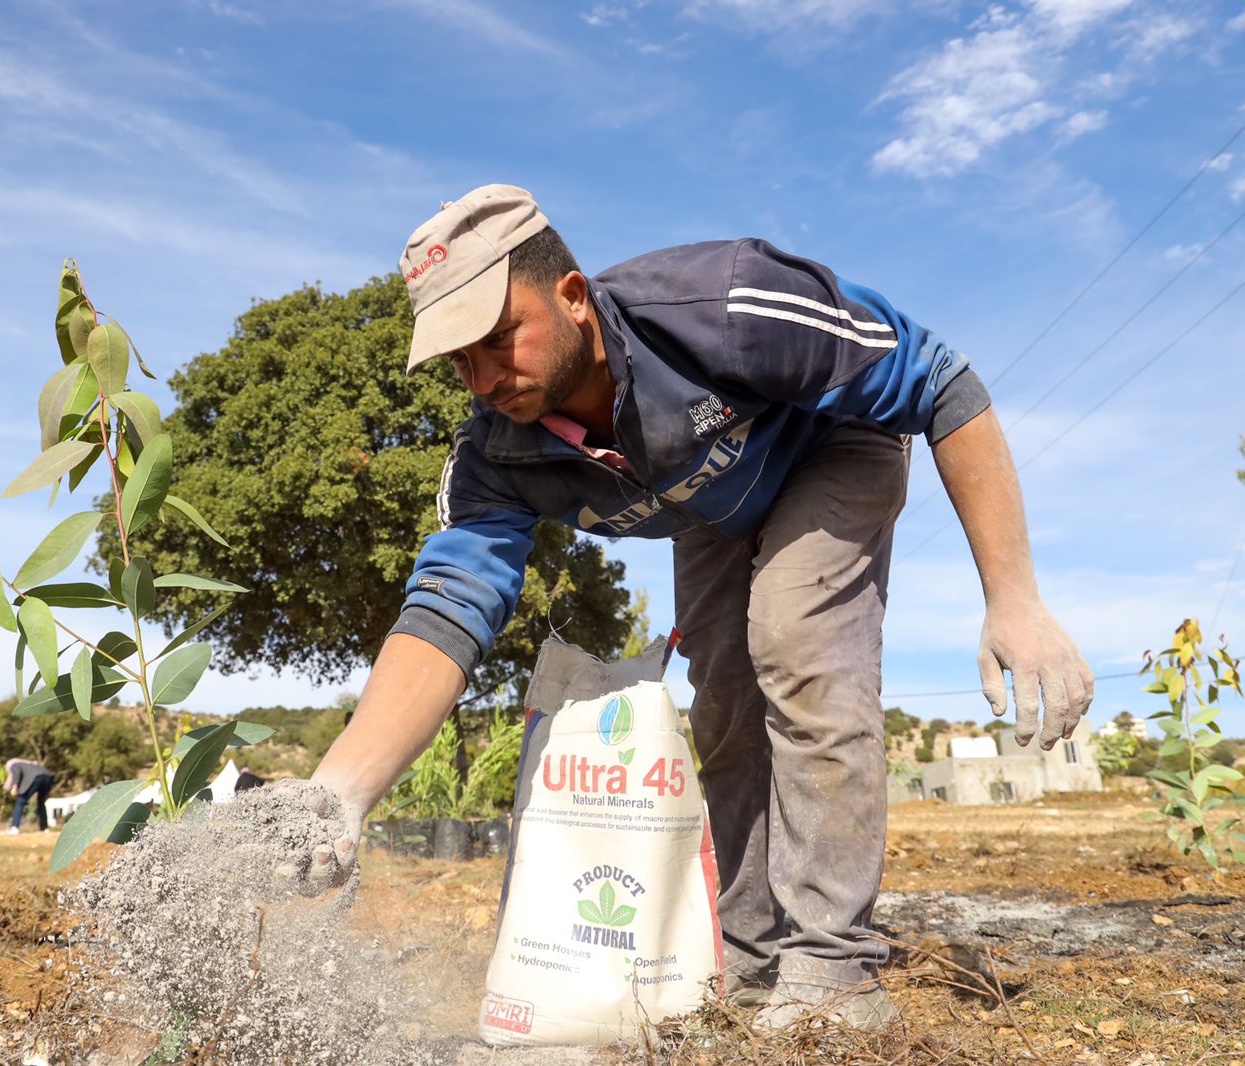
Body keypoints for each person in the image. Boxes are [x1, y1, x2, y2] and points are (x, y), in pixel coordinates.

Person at [283, 185, 1094, 1031]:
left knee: (795, 638)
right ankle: (751, 957)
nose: (485, 379)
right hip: (709, 505)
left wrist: (1014, 599)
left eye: (498, 338)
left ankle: (835, 971)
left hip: (829, 444)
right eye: (459, 361)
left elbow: (942, 380)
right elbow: (447, 608)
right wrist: (338, 794)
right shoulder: (497, 456)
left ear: (571, 296)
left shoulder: (722, 307)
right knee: (725, 706)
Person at [2, 758, 53, 834]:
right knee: (41, 803)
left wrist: (14, 787)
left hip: (35, 777)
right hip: (48, 777)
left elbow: (16, 773)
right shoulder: (30, 764)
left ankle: (15, 827)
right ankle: (44, 828)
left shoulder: (14, 765)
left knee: (20, 801)